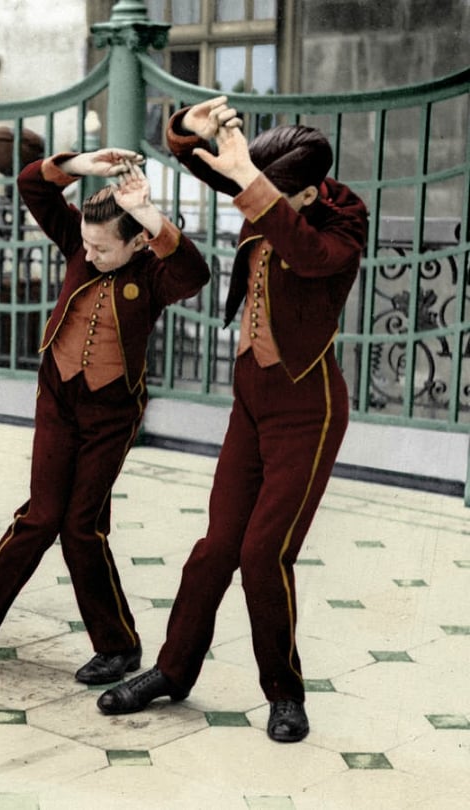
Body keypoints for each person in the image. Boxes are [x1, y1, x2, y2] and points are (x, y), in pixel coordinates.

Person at [97, 97, 368, 743]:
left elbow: (306, 253)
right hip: (251, 398)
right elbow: (206, 164)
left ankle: (285, 694)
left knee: (263, 554)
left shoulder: (341, 228)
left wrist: (248, 177)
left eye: (264, 192)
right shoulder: (276, 184)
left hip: (307, 407)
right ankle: (172, 670)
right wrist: (187, 130)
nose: (249, 200)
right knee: (214, 550)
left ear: (307, 194)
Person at [0, 149, 211, 681]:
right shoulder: (80, 248)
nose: (89, 253)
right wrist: (82, 165)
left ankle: (118, 647)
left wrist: (149, 216)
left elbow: (194, 272)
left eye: (102, 248)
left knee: (82, 527)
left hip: (112, 412)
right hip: (58, 397)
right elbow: (33, 186)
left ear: (137, 242)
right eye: (85, 243)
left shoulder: (154, 274)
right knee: (41, 517)